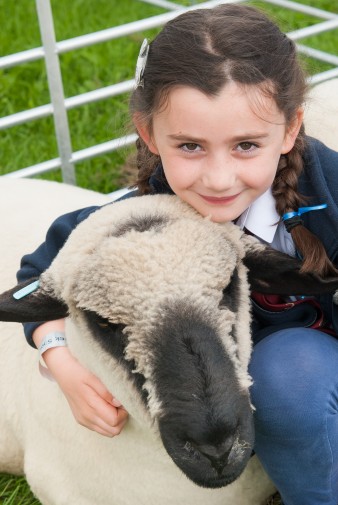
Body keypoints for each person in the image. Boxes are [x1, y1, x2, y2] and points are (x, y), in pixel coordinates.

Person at [17, 4, 338, 505]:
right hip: (286, 377)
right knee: (285, 377)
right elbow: (40, 276)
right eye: (190, 146)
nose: (218, 177)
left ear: (291, 129)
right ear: (149, 134)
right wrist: (57, 357)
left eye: (247, 145)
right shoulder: (142, 217)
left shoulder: (330, 187)